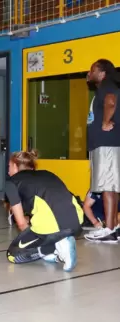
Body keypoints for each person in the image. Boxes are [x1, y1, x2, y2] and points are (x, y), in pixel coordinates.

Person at [4, 150, 83, 272]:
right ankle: (55, 245)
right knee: (43, 228)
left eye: (9, 167)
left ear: (15, 165)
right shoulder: (47, 173)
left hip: (54, 224)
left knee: (13, 255)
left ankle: (54, 247)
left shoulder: (11, 182)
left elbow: (21, 223)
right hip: (77, 219)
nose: (8, 171)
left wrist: (35, 240)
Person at [84, 59, 120, 243]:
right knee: (111, 186)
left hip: (106, 144)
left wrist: (106, 122)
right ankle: (113, 226)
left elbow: (111, 101)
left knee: (108, 186)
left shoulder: (107, 85)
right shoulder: (105, 86)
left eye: (92, 70)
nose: (89, 73)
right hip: (105, 145)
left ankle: (110, 229)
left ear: (102, 72)